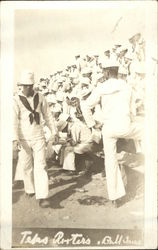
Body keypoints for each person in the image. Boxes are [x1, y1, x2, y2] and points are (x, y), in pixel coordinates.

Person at [82, 60, 144, 208]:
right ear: (116, 71)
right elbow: (132, 111)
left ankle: (115, 197)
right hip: (125, 125)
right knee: (148, 130)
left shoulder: (101, 87)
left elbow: (85, 106)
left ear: (107, 72)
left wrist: (92, 126)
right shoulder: (127, 86)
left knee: (110, 162)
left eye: (104, 72)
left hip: (108, 128)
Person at [13, 70, 59, 208]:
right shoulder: (15, 100)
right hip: (23, 138)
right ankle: (30, 189)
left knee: (41, 166)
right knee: (26, 166)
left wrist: (54, 131)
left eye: (29, 85)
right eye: (24, 85)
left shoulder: (41, 97)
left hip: (39, 136)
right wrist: (14, 140)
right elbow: (13, 121)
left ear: (31, 85)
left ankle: (43, 196)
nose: (26, 88)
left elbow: (48, 115)